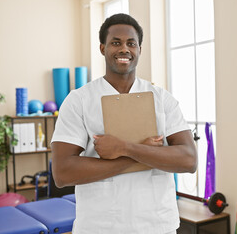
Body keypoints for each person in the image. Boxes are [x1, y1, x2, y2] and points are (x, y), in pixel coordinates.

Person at [51, 13, 197, 234]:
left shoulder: (161, 99)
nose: (124, 49)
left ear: (139, 49)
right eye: (115, 43)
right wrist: (143, 154)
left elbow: (189, 160)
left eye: (131, 43)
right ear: (102, 48)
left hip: (157, 225)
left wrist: (125, 148)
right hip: (100, 226)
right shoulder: (79, 100)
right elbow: (62, 173)